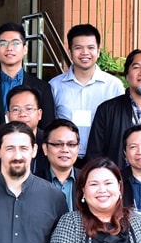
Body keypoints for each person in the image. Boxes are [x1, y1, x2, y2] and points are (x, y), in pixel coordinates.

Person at [0, 23, 55, 163]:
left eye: (15, 43)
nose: (9, 48)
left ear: (25, 49)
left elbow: (49, 131)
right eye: (3, 43)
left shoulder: (42, 87)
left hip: (34, 163)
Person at [48, 24, 125, 162]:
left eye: (91, 48)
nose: (85, 53)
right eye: (78, 48)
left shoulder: (114, 86)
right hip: (65, 159)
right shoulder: (55, 86)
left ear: (98, 51)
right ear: (70, 51)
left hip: (103, 160)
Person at [36, 118, 81, 211]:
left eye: (71, 144)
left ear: (78, 148)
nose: (65, 150)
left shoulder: (87, 181)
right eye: (57, 144)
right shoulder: (33, 184)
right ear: (45, 148)